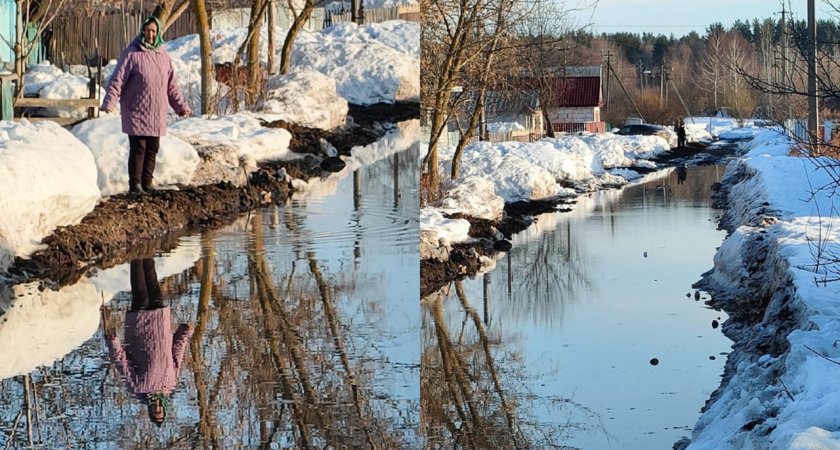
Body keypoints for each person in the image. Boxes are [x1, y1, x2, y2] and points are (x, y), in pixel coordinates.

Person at [101, 16, 191, 195]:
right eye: (148, 30)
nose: (151, 34)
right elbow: (117, 80)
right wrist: (109, 102)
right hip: (136, 109)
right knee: (139, 147)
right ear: (143, 31)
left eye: (154, 31)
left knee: (153, 147)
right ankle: (135, 185)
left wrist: (180, 106)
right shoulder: (132, 53)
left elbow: (171, 85)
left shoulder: (163, 55)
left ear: (158, 34)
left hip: (156, 111)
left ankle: (147, 183)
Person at [103, 258, 194, 426]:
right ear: (165, 409)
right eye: (160, 411)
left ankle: (135, 254)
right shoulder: (171, 383)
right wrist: (185, 332)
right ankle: (147, 251)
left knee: (141, 293)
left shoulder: (138, 388)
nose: (157, 407)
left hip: (140, 328)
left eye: (155, 411)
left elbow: (122, 363)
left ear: (150, 410)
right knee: (153, 285)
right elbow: (177, 353)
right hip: (160, 324)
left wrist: (113, 341)